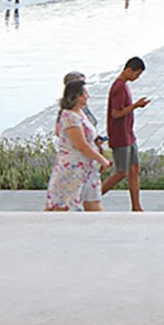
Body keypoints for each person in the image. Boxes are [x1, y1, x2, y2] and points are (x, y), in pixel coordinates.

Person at [47, 77, 109, 212]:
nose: (88, 96)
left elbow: (87, 139)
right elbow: (81, 145)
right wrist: (102, 160)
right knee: (62, 206)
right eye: (85, 93)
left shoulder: (80, 112)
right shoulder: (69, 116)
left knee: (94, 203)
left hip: (87, 168)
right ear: (78, 96)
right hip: (73, 168)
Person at [101, 57, 151, 210]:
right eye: (137, 74)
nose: (137, 78)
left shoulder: (124, 86)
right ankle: (92, 197)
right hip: (120, 135)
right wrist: (135, 106)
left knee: (134, 168)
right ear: (129, 70)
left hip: (129, 134)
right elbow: (116, 114)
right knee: (121, 172)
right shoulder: (119, 87)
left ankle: (136, 206)